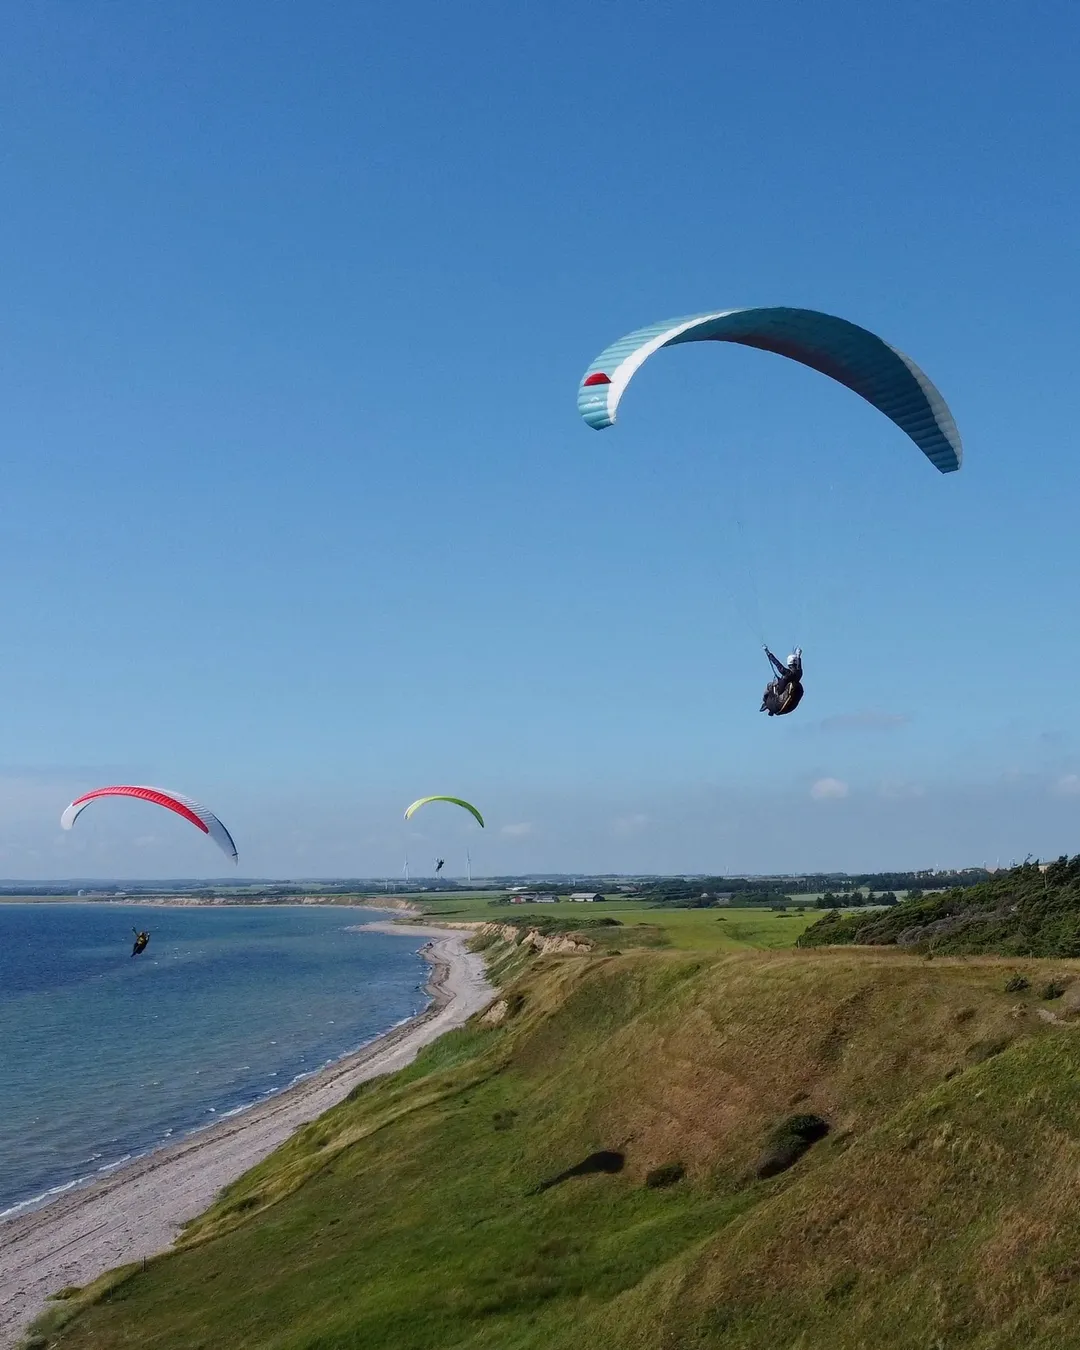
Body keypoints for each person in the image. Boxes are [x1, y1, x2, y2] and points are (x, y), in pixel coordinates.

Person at [761, 646, 803, 717]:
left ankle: (765, 703)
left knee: (769, 685)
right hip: (790, 706)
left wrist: (768, 653)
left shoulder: (787, 673)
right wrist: (798, 656)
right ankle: (769, 707)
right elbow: (799, 666)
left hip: (778, 703)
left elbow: (777, 664)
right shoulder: (799, 673)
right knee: (777, 684)